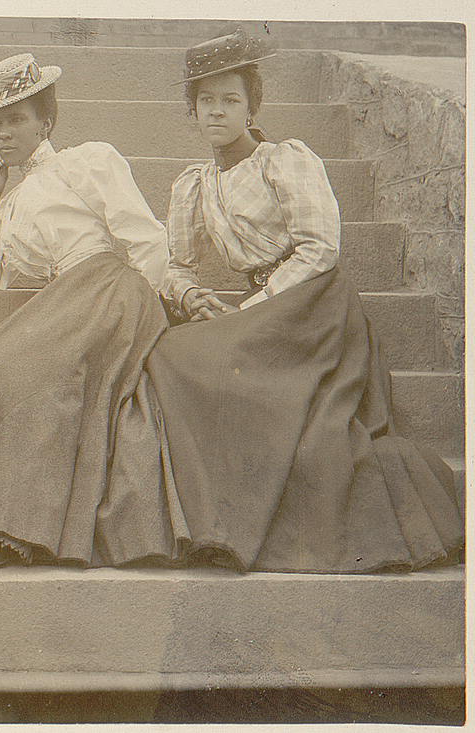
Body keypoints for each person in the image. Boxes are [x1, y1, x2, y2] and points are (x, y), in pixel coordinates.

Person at [145, 29, 463, 572]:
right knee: (170, 354)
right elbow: (176, 263)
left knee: (216, 364)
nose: (217, 112)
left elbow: (320, 248)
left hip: (312, 302)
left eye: (231, 100)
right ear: (192, 112)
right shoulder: (190, 186)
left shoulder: (284, 161)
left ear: (253, 106)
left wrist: (257, 306)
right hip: (262, 307)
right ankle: (210, 516)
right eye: (206, 102)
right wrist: (193, 294)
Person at [0, 54, 178, 570]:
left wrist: (149, 310)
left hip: (109, 288)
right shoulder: (15, 198)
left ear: (45, 121)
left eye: (17, 119)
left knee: (39, 372)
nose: (4, 132)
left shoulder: (84, 162)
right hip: (62, 299)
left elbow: (146, 237)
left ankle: (15, 531)